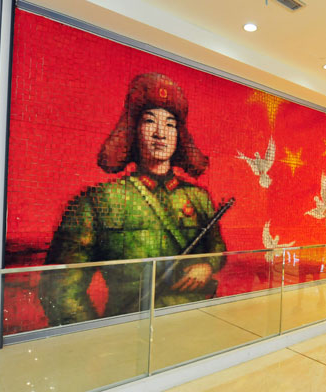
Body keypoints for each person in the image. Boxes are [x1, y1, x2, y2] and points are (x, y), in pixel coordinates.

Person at [39, 73, 227, 326]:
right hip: (129, 327)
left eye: (170, 124)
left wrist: (206, 264)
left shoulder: (198, 198)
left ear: (179, 135)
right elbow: (61, 289)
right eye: (150, 121)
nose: (161, 133)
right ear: (133, 130)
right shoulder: (100, 201)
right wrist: (94, 340)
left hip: (195, 322)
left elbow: (217, 247)